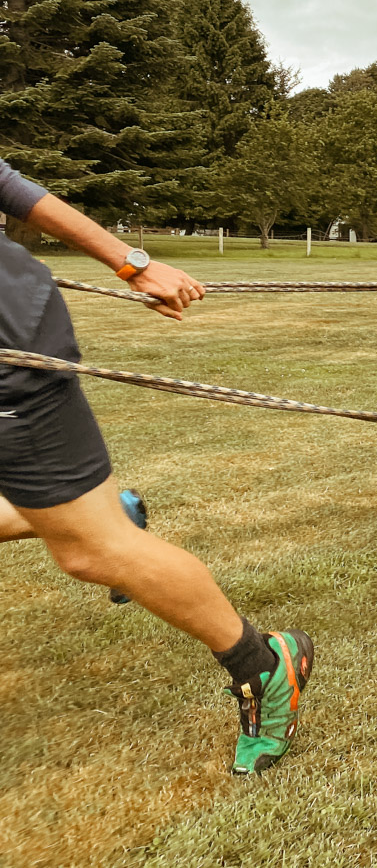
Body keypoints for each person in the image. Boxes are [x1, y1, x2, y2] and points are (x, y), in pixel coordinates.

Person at [0, 158, 314, 775]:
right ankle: (84, 512)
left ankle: (262, 663)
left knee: (91, 554)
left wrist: (132, 264)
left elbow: (8, 186)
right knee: (84, 536)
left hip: (8, 343)